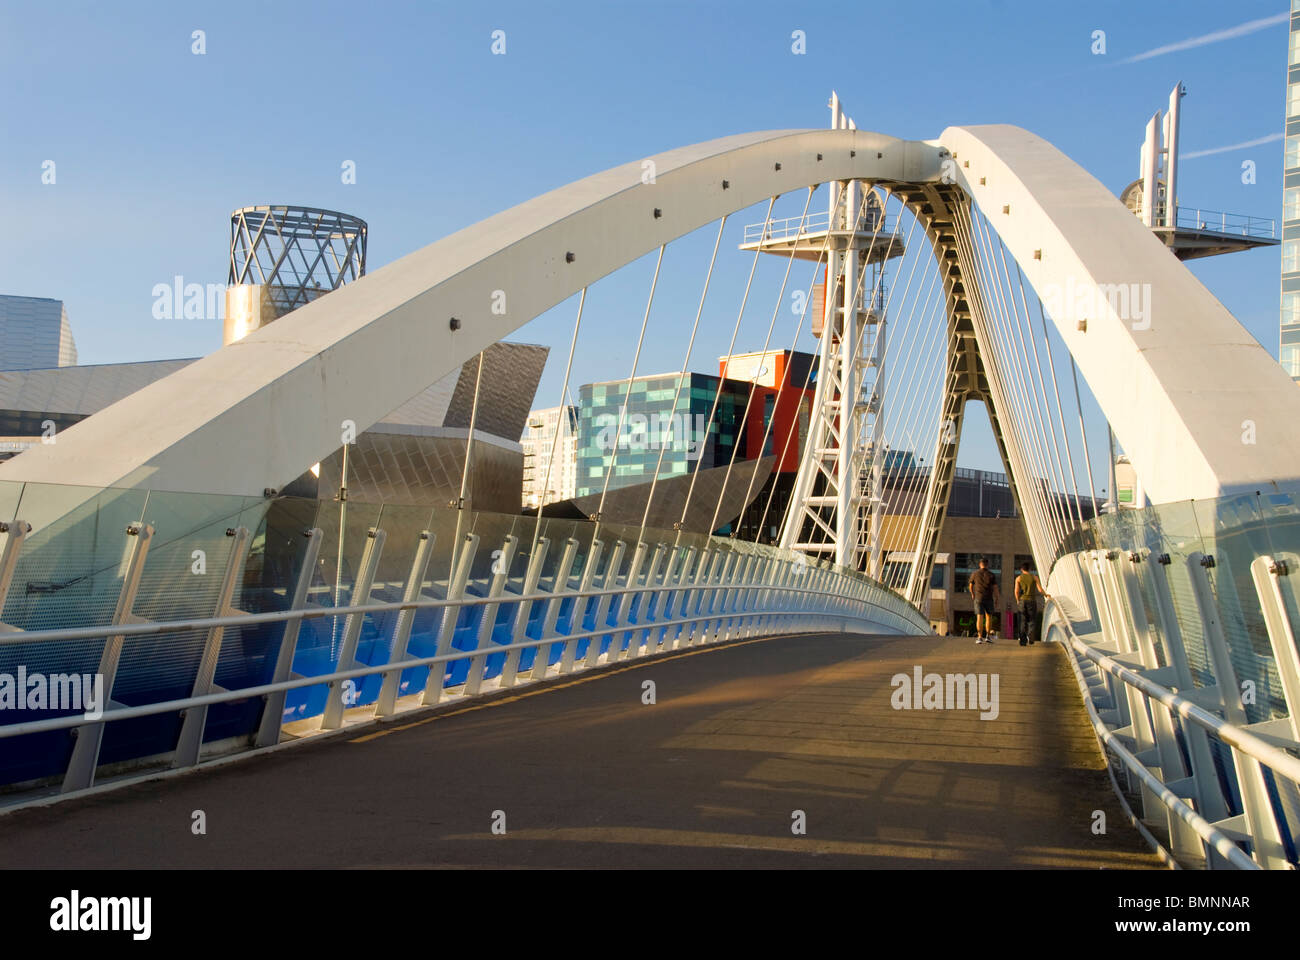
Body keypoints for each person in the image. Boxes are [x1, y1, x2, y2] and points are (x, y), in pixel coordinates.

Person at [1014, 561, 1051, 646]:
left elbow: (1016, 591)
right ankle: (1031, 637)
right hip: (1032, 600)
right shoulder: (1034, 577)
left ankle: (1023, 641)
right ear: (1029, 569)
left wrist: (1017, 600)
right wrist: (1046, 595)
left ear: (1021, 569)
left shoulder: (1018, 578)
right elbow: (1040, 589)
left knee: (1022, 621)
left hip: (1022, 601)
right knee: (1031, 620)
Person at [968, 557, 999, 644]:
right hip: (989, 598)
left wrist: (973, 594)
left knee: (979, 617)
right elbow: (995, 588)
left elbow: (970, 585)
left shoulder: (975, 574)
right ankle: (988, 636)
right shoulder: (991, 575)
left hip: (978, 598)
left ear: (980, 565)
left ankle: (979, 637)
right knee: (989, 617)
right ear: (987, 565)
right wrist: (997, 598)